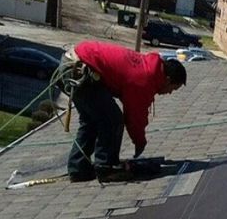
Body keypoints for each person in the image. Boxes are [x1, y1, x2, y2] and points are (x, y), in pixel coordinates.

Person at [62, 41, 186, 182]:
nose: (170, 93)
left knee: (92, 120)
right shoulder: (145, 78)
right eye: (173, 89)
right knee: (112, 120)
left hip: (71, 61)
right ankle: (106, 167)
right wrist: (140, 142)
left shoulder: (149, 67)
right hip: (80, 69)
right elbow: (134, 117)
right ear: (168, 80)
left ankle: (78, 169)